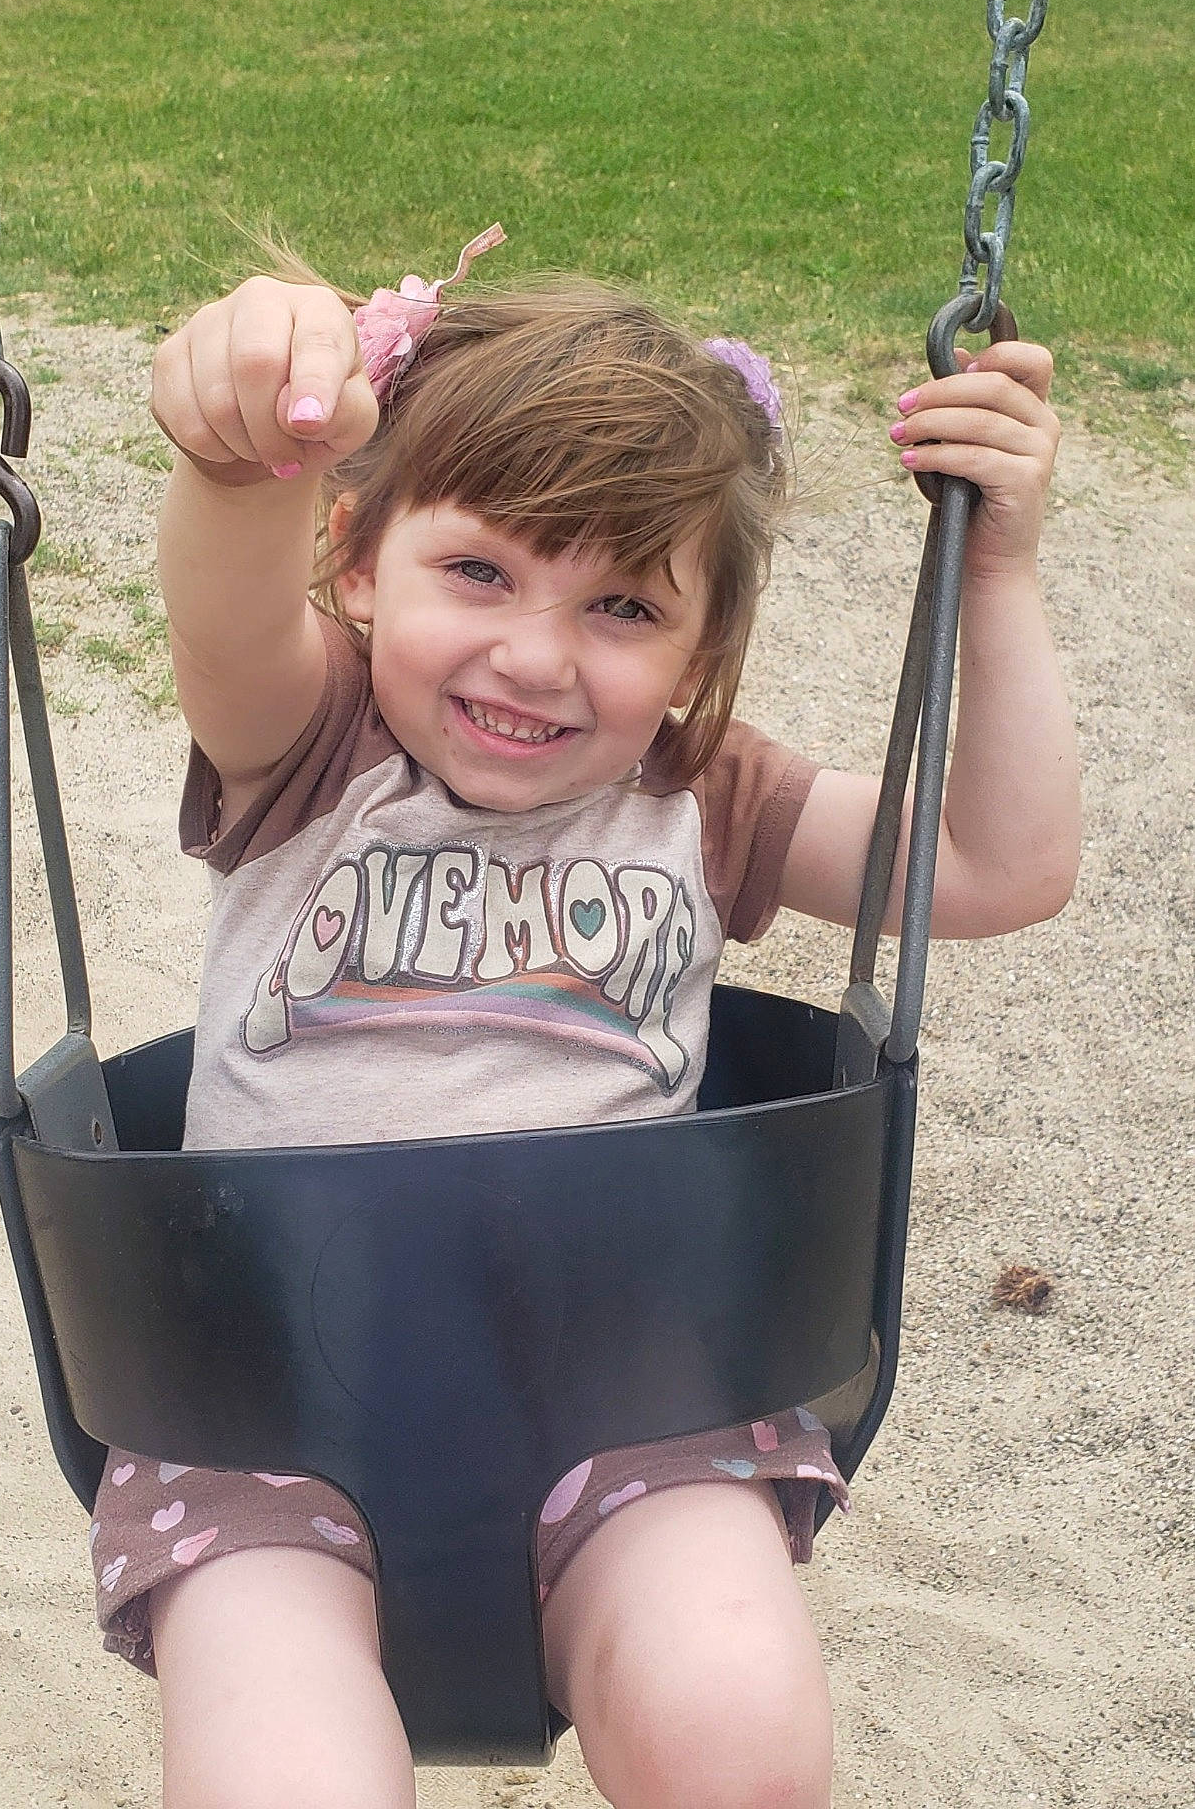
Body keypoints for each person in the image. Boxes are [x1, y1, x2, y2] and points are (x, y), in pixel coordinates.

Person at [90, 227, 1079, 1809]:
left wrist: (1001, 565)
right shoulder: (310, 746)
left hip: (628, 1399)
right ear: (351, 561)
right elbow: (222, 615)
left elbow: (994, 866)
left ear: (700, 650)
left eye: (623, 607)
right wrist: (244, 458)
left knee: (734, 1729)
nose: (533, 659)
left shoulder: (700, 799)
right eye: (475, 571)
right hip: (263, 1406)